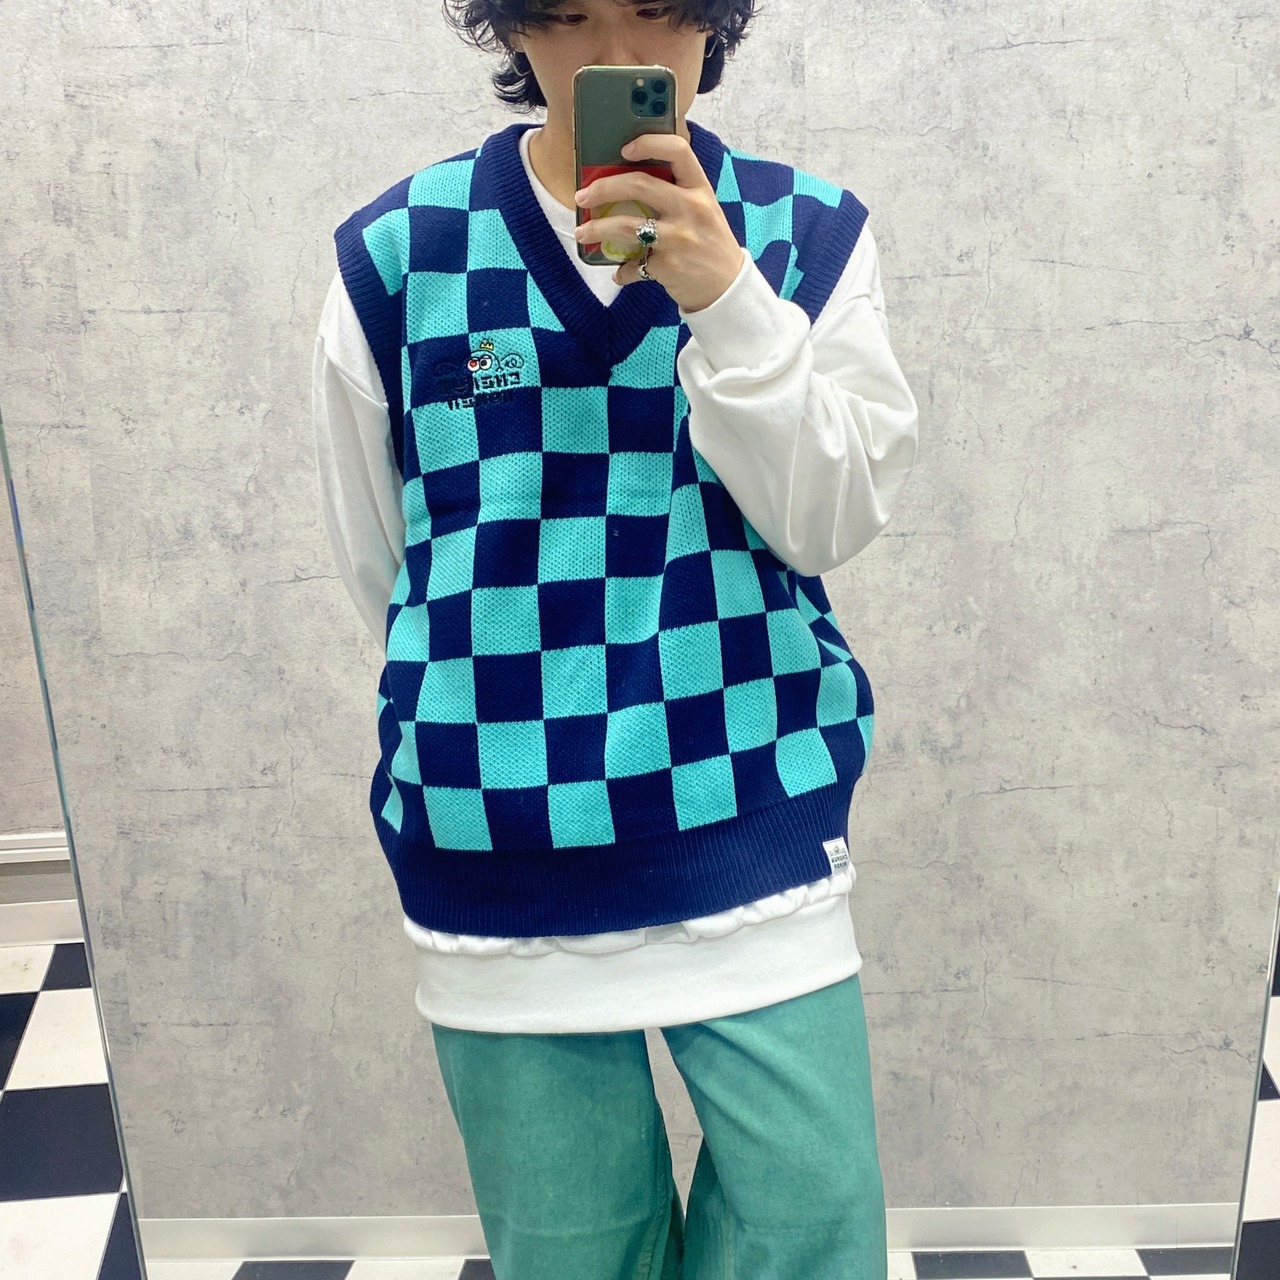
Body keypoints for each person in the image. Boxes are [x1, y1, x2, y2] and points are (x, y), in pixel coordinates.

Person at [312, 1, 919, 1275]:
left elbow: (827, 519)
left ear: (712, 21)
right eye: (569, 16)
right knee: (570, 1254)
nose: (615, 57)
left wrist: (727, 299)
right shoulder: (396, 255)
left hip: (753, 831)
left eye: (655, 14)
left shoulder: (806, 234)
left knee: (813, 1232)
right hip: (500, 862)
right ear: (510, 30)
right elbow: (391, 570)